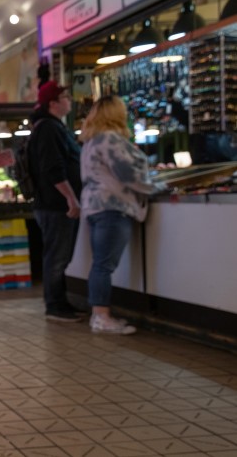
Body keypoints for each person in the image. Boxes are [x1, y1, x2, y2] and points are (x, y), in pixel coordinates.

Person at [80, 96, 161, 334]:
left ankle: (98, 315)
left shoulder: (90, 141)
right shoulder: (110, 140)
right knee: (104, 265)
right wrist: (155, 187)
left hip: (94, 207)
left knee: (100, 263)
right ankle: (102, 317)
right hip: (112, 207)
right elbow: (128, 174)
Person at [28, 80, 83, 322]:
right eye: (66, 98)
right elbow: (53, 168)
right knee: (57, 256)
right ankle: (55, 305)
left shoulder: (50, 127)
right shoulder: (48, 129)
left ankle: (59, 301)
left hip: (53, 205)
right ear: (53, 104)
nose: (70, 101)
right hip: (55, 205)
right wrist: (71, 198)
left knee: (59, 255)